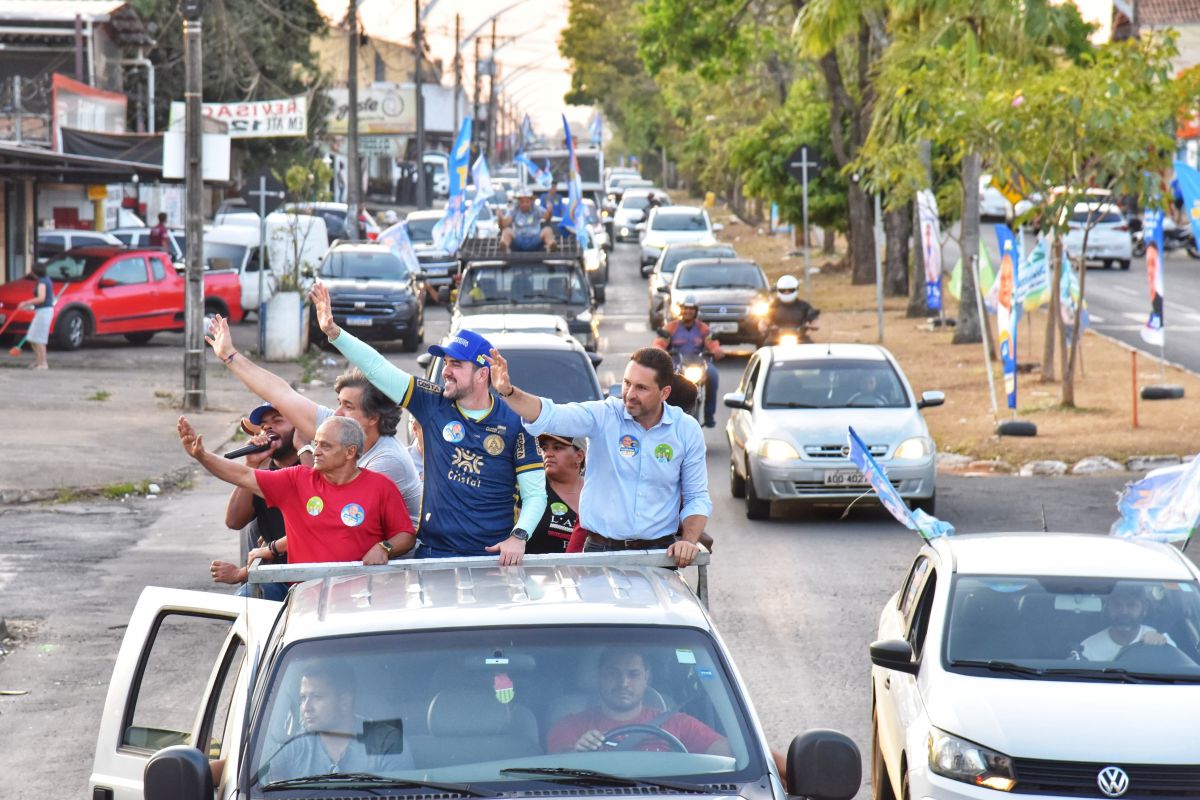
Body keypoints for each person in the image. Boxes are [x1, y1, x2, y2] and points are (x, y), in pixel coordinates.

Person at [310, 283, 546, 564]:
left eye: (456, 364)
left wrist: (518, 537)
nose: (446, 371)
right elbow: (378, 368)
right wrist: (334, 334)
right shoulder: (432, 402)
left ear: (483, 375)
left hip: (491, 558)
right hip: (434, 553)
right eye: (445, 362)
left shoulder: (516, 421)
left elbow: (535, 494)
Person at [489, 346, 710, 568]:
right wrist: (508, 392)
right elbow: (550, 415)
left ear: (664, 393)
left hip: (658, 555)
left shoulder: (686, 429)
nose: (630, 394)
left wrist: (689, 541)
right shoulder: (604, 415)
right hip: (601, 551)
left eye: (641, 388)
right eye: (627, 383)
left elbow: (696, 496)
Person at [205, 315, 423, 526]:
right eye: (339, 403)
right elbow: (281, 394)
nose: (336, 413)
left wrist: (304, 449)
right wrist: (230, 356)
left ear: (374, 417)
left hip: (390, 560)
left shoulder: (387, 461)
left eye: (348, 406)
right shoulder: (341, 428)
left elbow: (331, 515)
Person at [178, 414, 416, 567]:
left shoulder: (381, 486)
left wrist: (384, 547)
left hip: (362, 594)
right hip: (304, 596)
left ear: (350, 452)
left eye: (325, 445)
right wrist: (202, 455)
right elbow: (242, 475)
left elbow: (405, 536)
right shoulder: (297, 479)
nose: (317, 451)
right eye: (316, 444)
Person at [547, 648, 730, 755]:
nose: (623, 683)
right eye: (613, 673)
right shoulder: (571, 725)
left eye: (633, 674)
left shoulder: (678, 723)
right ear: (599, 677)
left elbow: (728, 755)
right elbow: (556, 772)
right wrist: (578, 756)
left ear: (646, 679)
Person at [264, 660, 413, 781]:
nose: (306, 707)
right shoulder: (296, 744)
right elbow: (264, 786)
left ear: (345, 702)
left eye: (316, 696)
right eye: (303, 698)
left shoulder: (384, 740)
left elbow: (401, 794)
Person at [210, 403, 299, 602]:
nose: (269, 428)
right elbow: (234, 521)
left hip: (311, 578)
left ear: (298, 427)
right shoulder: (262, 476)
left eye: (277, 421)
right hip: (275, 581)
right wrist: (251, 465)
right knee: (244, 605)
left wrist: (240, 574)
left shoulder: (314, 467)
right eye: (265, 426)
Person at [654, 296, 723, 428]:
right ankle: (662, 413)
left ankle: (709, 416)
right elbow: (660, 342)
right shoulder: (671, 327)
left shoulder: (702, 328)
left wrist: (716, 350)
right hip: (677, 363)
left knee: (713, 375)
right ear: (681, 310)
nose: (688, 311)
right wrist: (659, 350)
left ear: (696, 311)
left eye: (691, 309)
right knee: (664, 380)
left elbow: (711, 342)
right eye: (685, 308)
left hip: (700, 363)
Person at [1079, 585, 1176, 661]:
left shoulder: (1160, 641)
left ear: (1144, 609)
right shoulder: (1089, 648)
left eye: (1132, 605)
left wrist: (1157, 645)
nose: (1124, 611)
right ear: (1108, 608)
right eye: (1117, 605)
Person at [526, 434, 585, 554]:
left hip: (586, 571)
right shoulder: (532, 489)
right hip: (534, 571)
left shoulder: (596, 492)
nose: (548, 454)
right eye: (544, 448)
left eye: (557, 448)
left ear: (579, 456)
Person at [18, 261, 54, 370]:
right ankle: (38, 361)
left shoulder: (43, 282)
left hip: (44, 312)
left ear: (35, 272)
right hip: (41, 311)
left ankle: (43, 363)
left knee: (39, 339)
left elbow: (41, 298)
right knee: (32, 337)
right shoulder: (45, 279)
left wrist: (26, 303)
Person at [765, 275, 819, 343]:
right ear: (778, 290)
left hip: (800, 338)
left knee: (811, 347)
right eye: (783, 290)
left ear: (796, 289)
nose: (787, 292)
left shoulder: (804, 306)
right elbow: (764, 320)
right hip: (776, 339)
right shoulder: (773, 306)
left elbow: (813, 317)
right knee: (766, 347)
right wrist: (764, 326)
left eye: (790, 290)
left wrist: (814, 325)